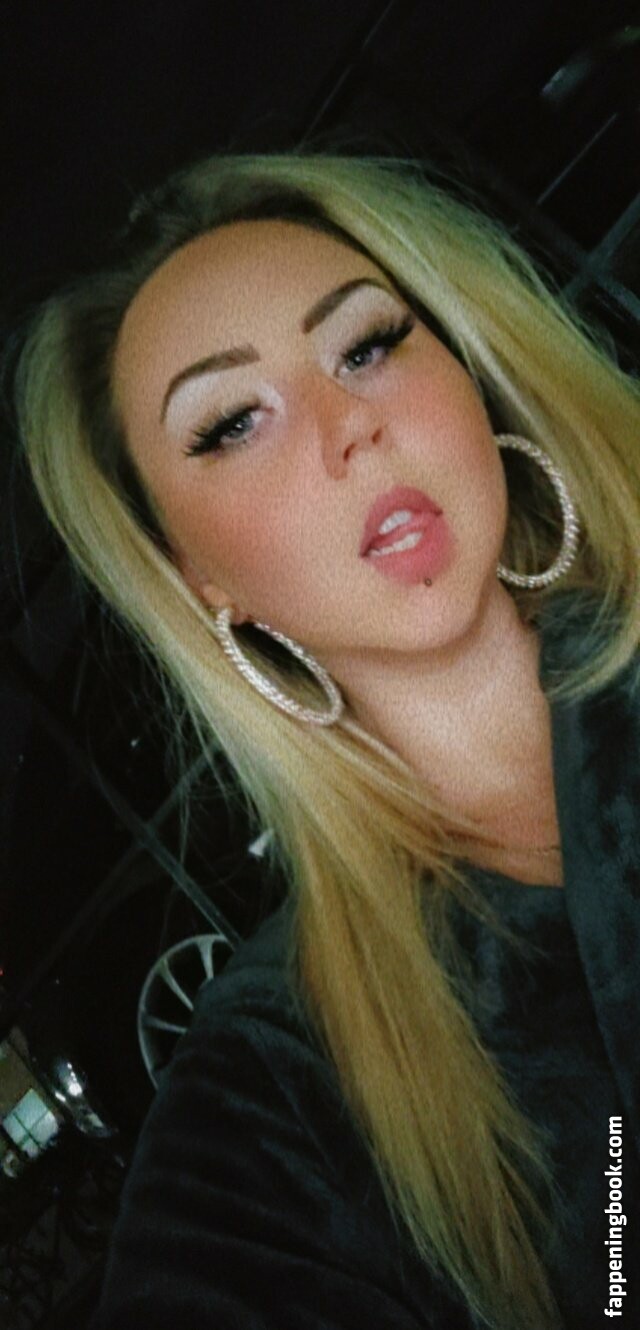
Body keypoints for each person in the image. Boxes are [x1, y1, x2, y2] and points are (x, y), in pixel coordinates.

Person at [6, 141, 640, 1330]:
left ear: (465, 369)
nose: (350, 425)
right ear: (198, 578)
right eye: (232, 422)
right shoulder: (274, 1092)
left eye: (367, 345)